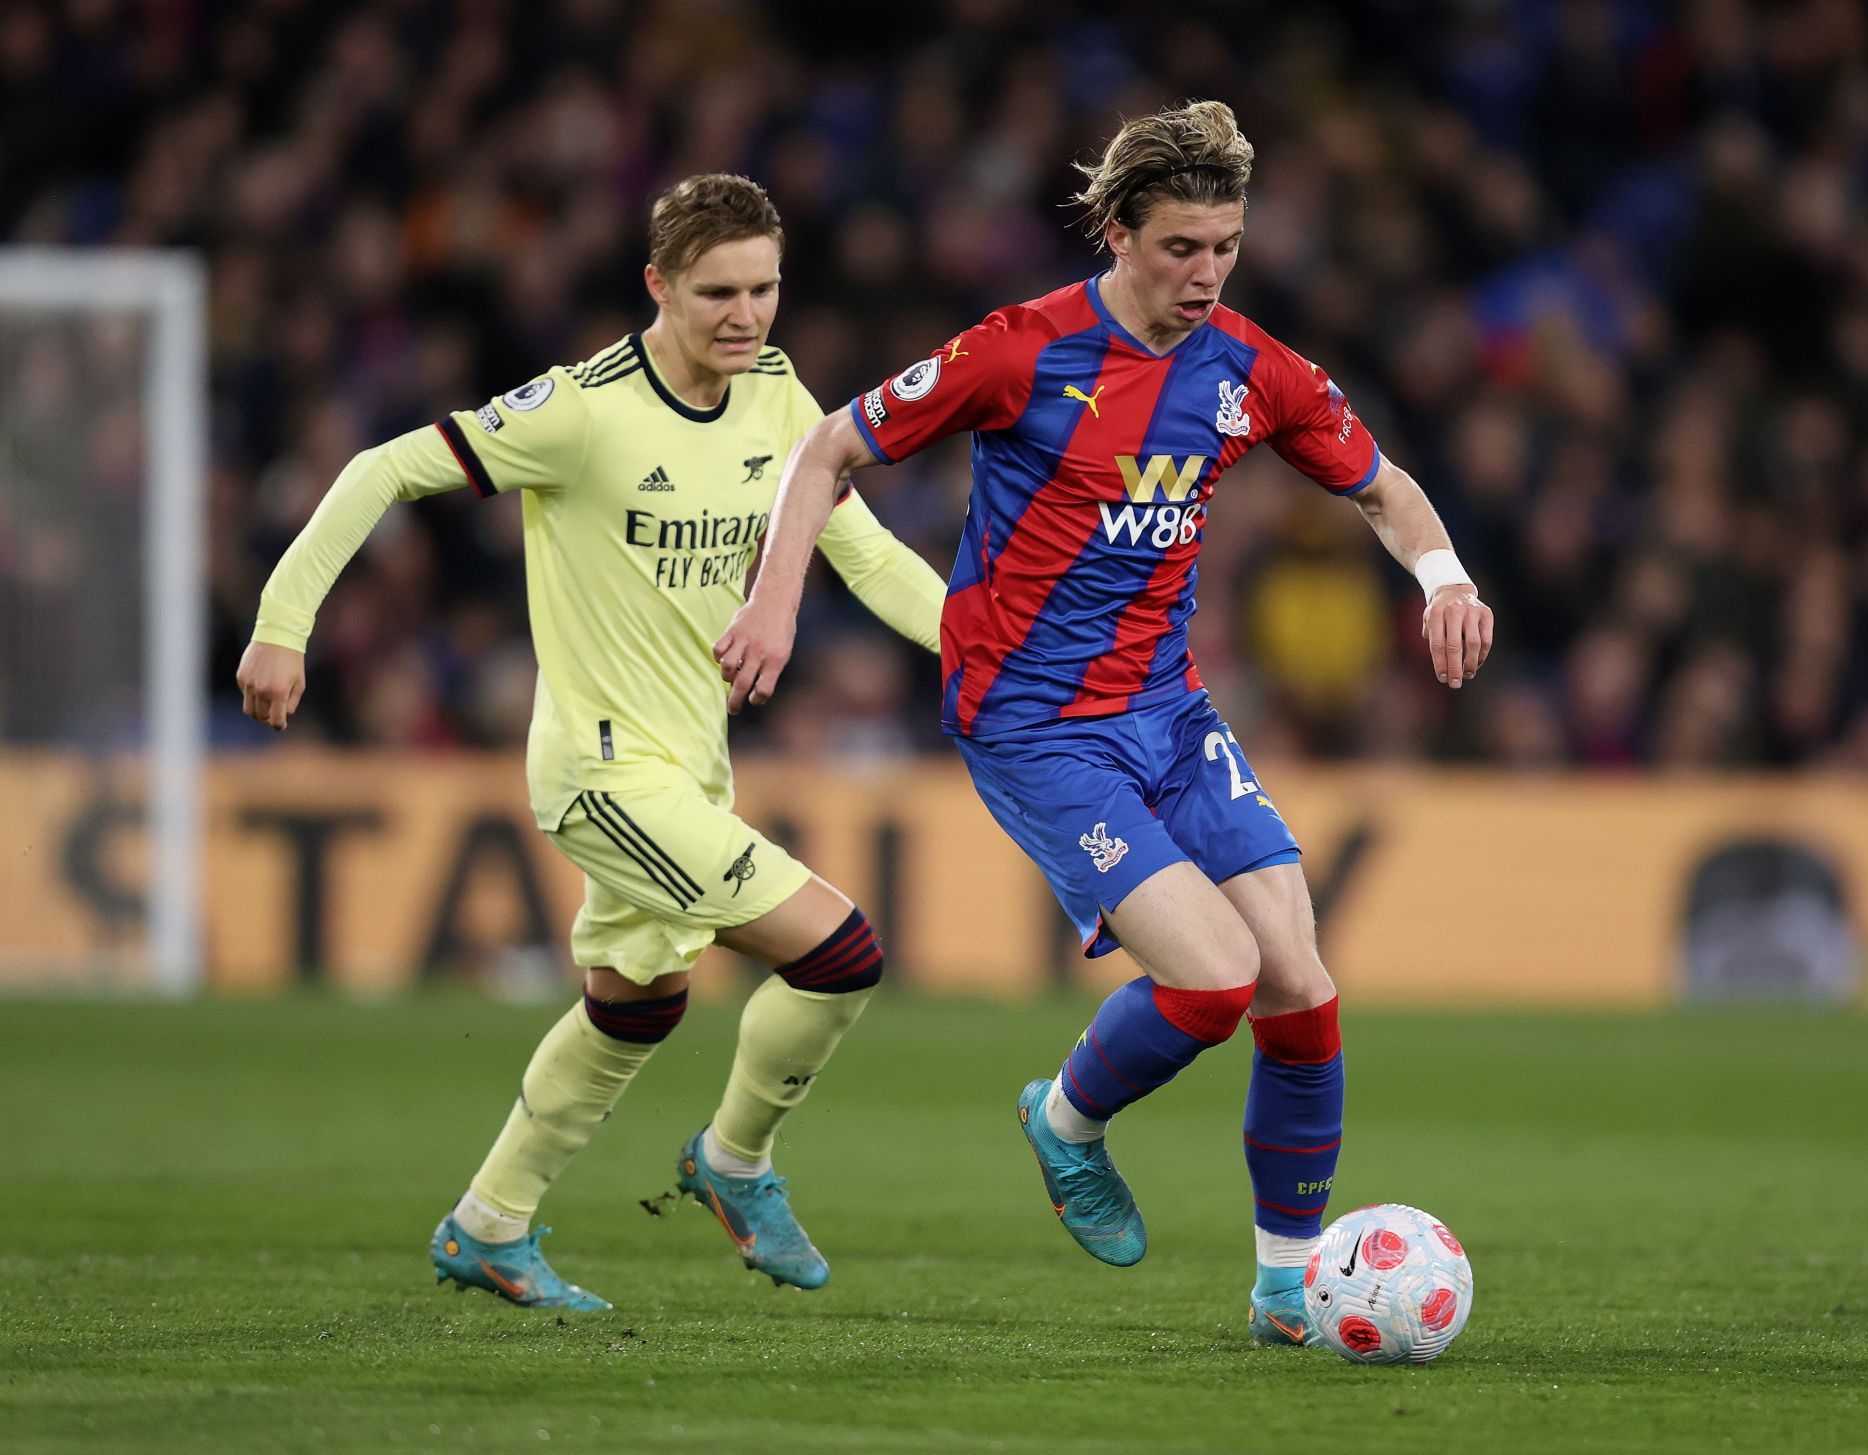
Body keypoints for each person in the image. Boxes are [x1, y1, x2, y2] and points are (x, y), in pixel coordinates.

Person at [714, 103, 1494, 1344]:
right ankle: (1064, 1120)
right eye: (1182, 247)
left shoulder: (1246, 369)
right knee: (1218, 979)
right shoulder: (1019, 352)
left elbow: (1383, 485)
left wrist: (1442, 575)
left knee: (1301, 984)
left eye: (1226, 246)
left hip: (1168, 713)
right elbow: (824, 452)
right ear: (1119, 234)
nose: (1207, 274)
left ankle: (1287, 1288)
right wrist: (775, 606)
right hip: (1034, 726)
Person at [236, 174, 947, 1310]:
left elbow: (859, 553)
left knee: (636, 1008)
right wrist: (283, 626)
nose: (746, 316)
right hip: (603, 774)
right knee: (840, 953)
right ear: (658, 284)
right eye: (718, 291)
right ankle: (735, 1163)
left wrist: (974, 643)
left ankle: (488, 1224)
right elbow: (382, 468)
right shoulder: (579, 410)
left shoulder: (774, 393)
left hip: (690, 771)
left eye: (765, 289)